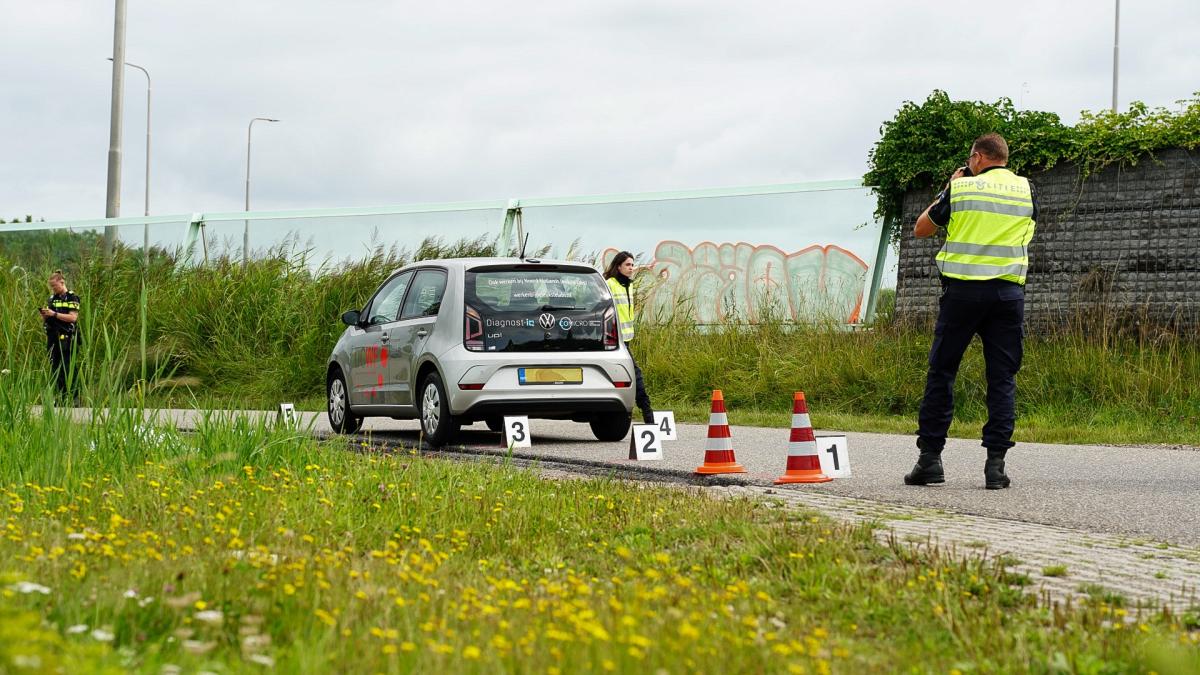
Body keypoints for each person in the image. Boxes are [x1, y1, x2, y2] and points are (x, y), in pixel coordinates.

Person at [905, 132, 1038, 490]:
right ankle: (996, 466)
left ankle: (930, 461)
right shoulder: (1027, 189)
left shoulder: (962, 190)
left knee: (942, 373)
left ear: (978, 157)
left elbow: (921, 229)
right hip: (1007, 296)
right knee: (1002, 379)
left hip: (962, 294)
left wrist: (948, 189)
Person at [604, 251, 655, 425]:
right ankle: (648, 413)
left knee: (628, 375)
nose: (631, 268)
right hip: (614, 341)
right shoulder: (610, 284)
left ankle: (622, 413)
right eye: (628, 265)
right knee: (635, 374)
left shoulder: (629, 285)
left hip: (626, 339)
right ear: (618, 266)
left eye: (632, 265)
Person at [39, 269, 81, 402]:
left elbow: (73, 318)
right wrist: (45, 316)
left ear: (62, 282)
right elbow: (48, 317)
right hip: (53, 336)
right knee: (55, 367)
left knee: (68, 366)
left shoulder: (72, 297)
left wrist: (54, 314)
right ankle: (61, 397)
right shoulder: (52, 298)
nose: (53, 289)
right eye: (51, 287)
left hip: (67, 337)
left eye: (54, 286)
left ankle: (73, 398)